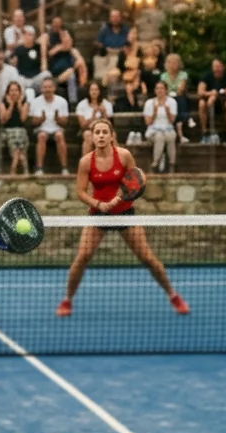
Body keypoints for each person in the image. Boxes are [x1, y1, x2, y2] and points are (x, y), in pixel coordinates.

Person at [58, 117, 187, 319]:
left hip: (125, 215)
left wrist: (119, 199)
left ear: (111, 136)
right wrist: (99, 204)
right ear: (92, 137)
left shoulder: (124, 156)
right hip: (98, 217)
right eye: (97, 132)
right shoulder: (85, 162)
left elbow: (134, 181)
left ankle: (173, 296)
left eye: (104, 132)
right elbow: (81, 193)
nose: (100, 136)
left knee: (148, 258)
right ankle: (67, 300)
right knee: (82, 258)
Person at [31, 75, 70, 176]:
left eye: (49, 87)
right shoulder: (35, 102)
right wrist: (41, 119)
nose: (47, 89)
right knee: (42, 136)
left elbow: (65, 122)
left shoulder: (62, 101)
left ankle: (64, 168)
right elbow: (33, 122)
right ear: (41, 89)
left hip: (57, 128)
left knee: (59, 135)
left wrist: (58, 119)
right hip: (42, 129)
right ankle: (39, 168)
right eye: (45, 87)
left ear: (54, 88)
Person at [196, 58, 226, 145]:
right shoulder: (207, 76)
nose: (216, 69)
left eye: (219, 66)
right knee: (201, 104)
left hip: (222, 102)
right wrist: (211, 93)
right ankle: (204, 132)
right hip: (208, 102)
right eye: (215, 66)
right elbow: (200, 92)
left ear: (223, 67)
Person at [143, 80, 179, 173]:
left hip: (168, 129)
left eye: (162, 88)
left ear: (166, 90)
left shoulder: (172, 102)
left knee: (171, 137)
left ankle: (172, 163)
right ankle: (156, 162)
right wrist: (154, 112)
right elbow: (148, 123)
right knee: (159, 137)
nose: (160, 90)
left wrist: (167, 111)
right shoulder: (149, 103)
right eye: (157, 88)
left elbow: (172, 121)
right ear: (155, 90)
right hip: (153, 131)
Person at [0, 81, 32, 176]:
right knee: (16, 139)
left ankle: (14, 165)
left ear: (20, 92)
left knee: (19, 135)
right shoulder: (2, 104)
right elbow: (4, 120)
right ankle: (23, 167)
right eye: (11, 90)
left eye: (16, 90)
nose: (14, 92)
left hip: (21, 130)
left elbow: (22, 118)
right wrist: (11, 105)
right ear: (7, 93)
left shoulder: (25, 104)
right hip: (7, 131)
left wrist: (19, 104)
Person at [75, 80, 112, 156]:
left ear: (100, 91)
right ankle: (85, 163)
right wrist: (93, 116)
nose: (94, 92)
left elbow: (109, 124)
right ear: (88, 91)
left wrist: (104, 113)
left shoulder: (107, 104)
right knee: (88, 135)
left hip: (103, 129)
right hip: (87, 130)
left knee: (112, 135)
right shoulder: (81, 104)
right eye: (92, 90)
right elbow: (83, 126)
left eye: (96, 90)